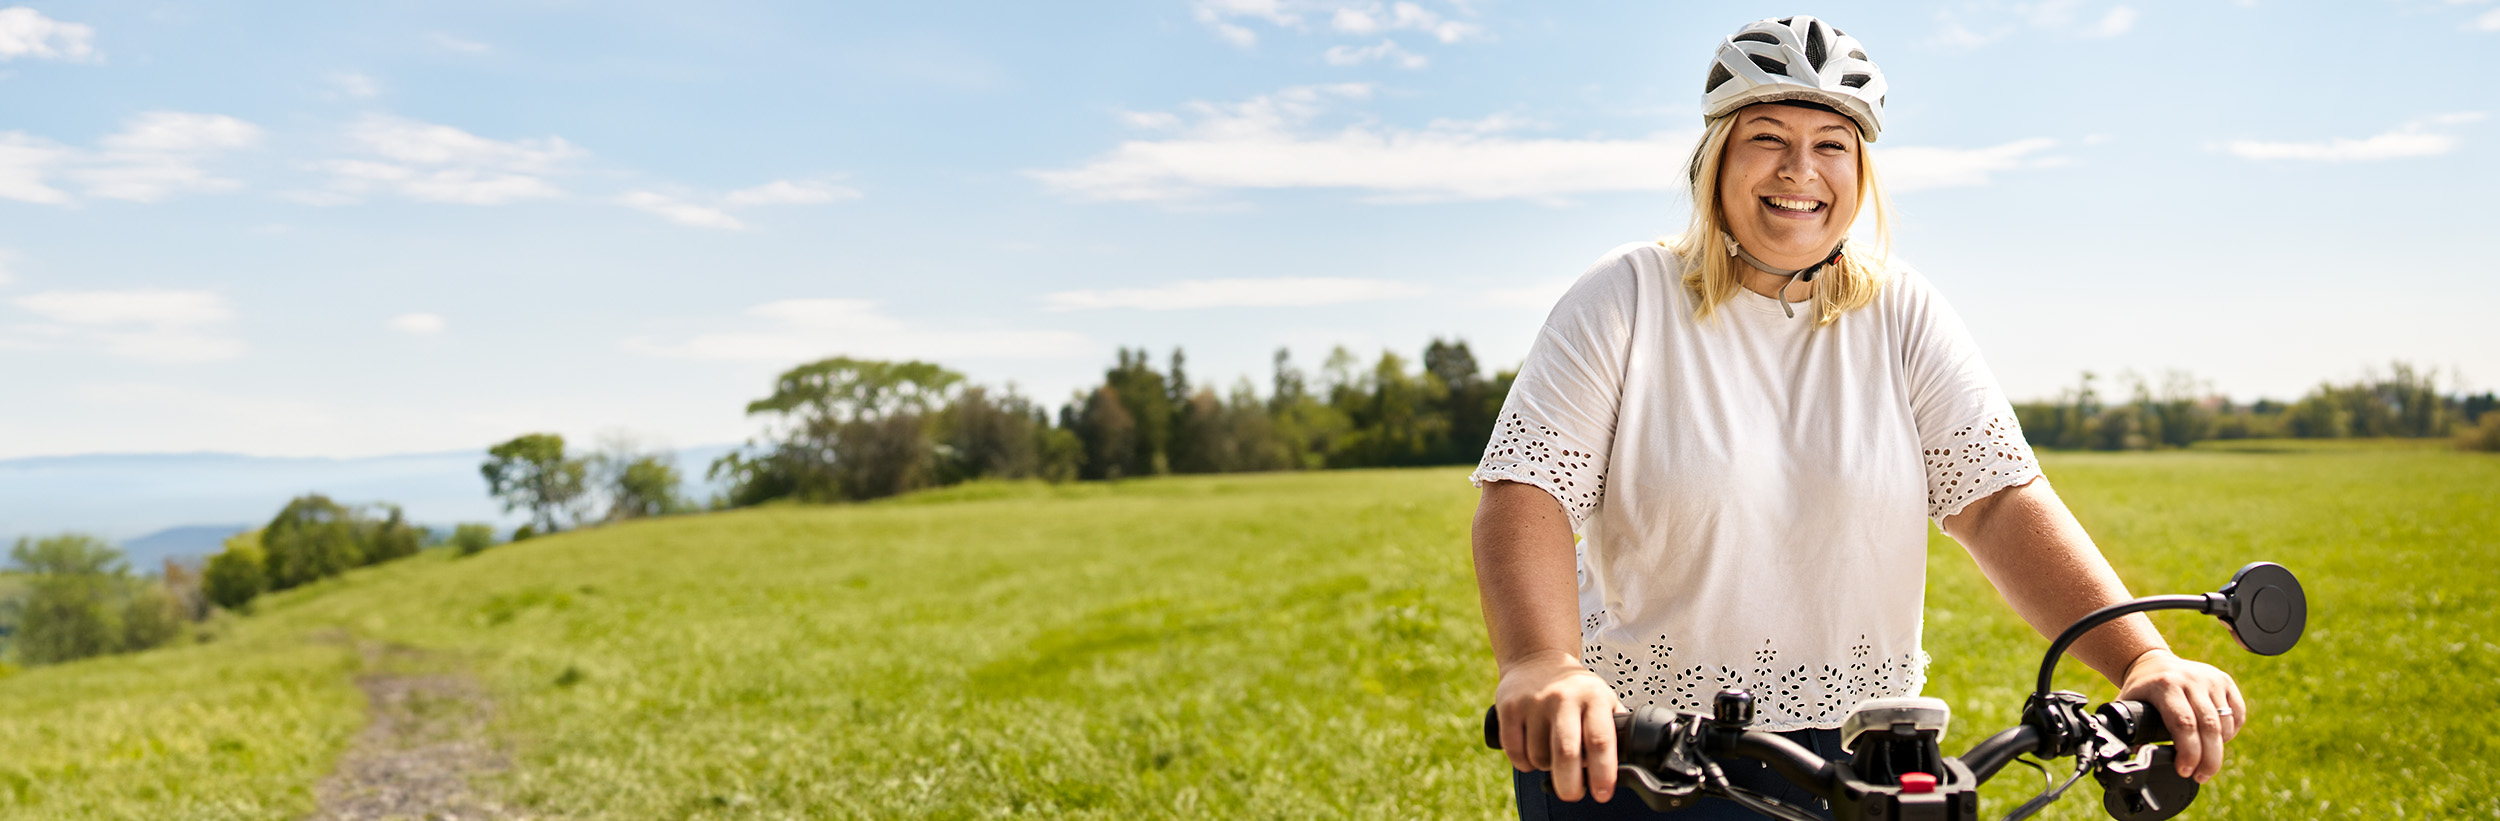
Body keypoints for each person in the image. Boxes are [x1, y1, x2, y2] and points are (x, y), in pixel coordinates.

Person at [1470, 16, 2247, 820]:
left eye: (1831, 144)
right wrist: (1544, 662)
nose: (1799, 170)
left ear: (1860, 168)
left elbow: (1997, 500)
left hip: (1865, 756)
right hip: (1639, 751)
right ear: (1717, 161)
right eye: (1767, 137)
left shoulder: (1901, 310)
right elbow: (1528, 491)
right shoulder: (1627, 295)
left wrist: (2142, 659)